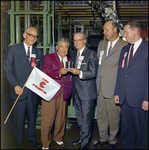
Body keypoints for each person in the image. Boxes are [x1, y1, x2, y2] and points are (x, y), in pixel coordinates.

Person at [3, 27, 44, 149]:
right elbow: (7, 69)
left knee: (32, 117)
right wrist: (15, 85)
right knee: (18, 118)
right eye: (30, 35)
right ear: (24, 35)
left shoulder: (39, 53)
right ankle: (19, 140)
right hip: (18, 92)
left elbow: (40, 73)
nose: (33, 38)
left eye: (35, 36)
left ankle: (32, 138)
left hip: (32, 93)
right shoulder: (13, 49)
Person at [92, 21, 128, 149]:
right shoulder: (102, 44)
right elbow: (99, 65)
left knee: (114, 116)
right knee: (101, 115)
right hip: (100, 87)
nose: (104, 32)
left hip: (113, 88)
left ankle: (113, 140)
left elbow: (125, 71)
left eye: (106, 30)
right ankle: (103, 138)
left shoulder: (124, 45)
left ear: (114, 30)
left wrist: (120, 90)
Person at [114, 20, 148, 149]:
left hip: (140, 100)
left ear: (135, 31)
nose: (125, 36)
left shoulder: (146, 49)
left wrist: (147, 98)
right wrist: (117, 92)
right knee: (127, 132)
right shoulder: (125, 50)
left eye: (127, 32)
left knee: (142, 133)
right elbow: (121, 73)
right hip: (125, 99)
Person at [41, 38, 72, 149]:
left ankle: (58, 138)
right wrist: (58, 72)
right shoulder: (49, 57)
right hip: (51, 92)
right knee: (47, 119)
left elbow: (69, 78)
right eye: (62, 46)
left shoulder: (68, 59)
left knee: (61, 118)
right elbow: (45, 72)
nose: (64, 49)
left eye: (66, 47)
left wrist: (69, 90)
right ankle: (45, 143)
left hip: (64, 92)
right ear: (57, 47)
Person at [69, 32, 98, 149]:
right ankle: (82, 138)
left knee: (86, 120)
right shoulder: (74, 53)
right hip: (76, 92)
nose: (76, 43)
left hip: (87, 93)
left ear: (84, 41)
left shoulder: (91, 54)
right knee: (80, 119)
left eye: (79, 40)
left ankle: (85, 143)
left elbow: (93, 72)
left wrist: (79, 72)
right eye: (74, 41)